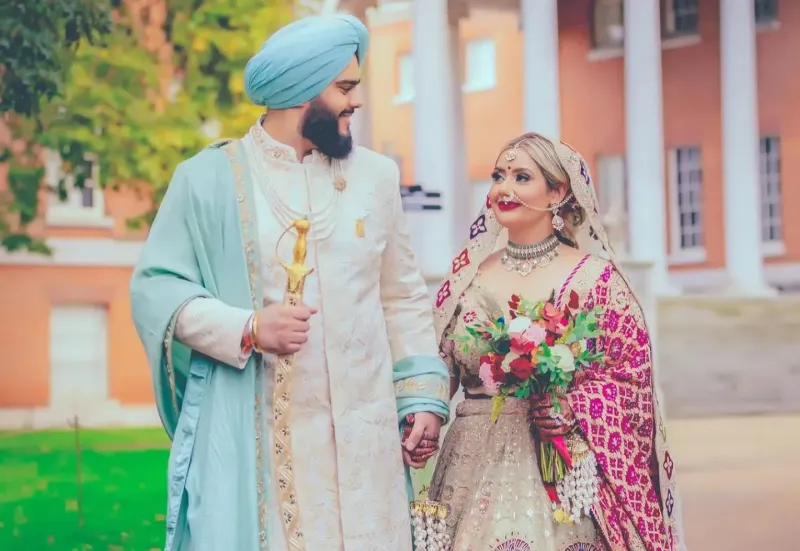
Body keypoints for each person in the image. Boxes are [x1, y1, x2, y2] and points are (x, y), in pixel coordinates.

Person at [130, 13, 449, 551]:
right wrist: (249, 327)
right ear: (302, 91)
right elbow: (156, 289)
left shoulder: (377, 176)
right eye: (344, 87)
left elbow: (403, 295)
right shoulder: (208, 180)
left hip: (366, 440)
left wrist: (421, 395)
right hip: (265, 445)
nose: (357, 101)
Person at [420, 133, 687, 551]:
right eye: (498, 175)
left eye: (521, 177)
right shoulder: (466, 277)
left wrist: (572, 406)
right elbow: (440, 362)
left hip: (564, 473)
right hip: (469, 469)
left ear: (558, 192)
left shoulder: (595, 281)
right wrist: (428, 411)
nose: (503, 189)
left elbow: (631, 380)